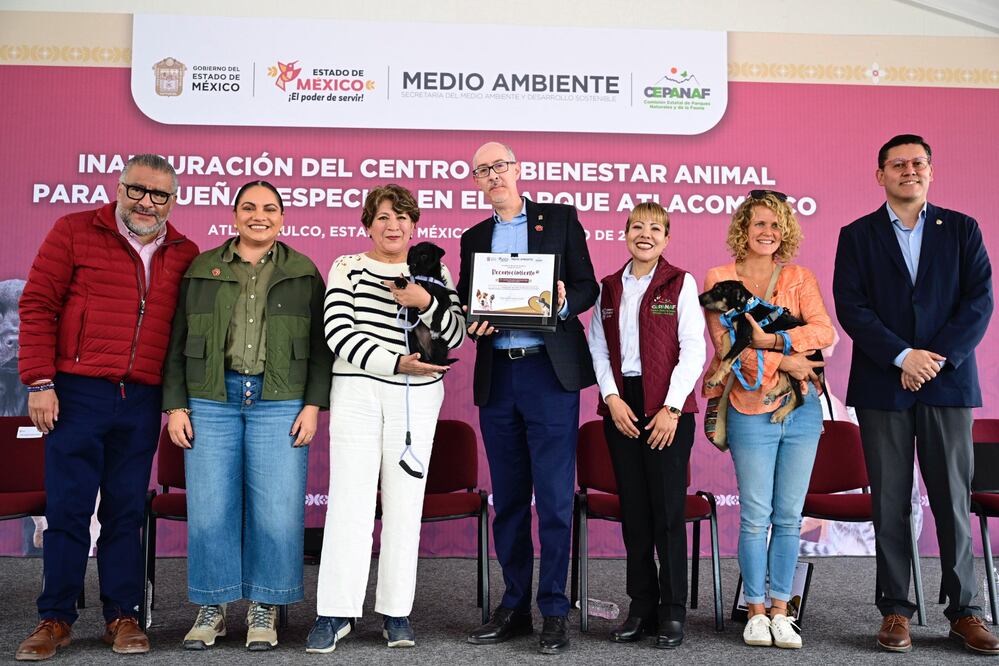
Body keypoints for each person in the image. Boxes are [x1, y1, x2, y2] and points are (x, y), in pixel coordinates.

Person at [15, 154, 198, 660]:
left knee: (124, 512)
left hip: (140, 398)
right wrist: (39, 381)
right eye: (137, 189)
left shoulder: (185, 252)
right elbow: (38, 305)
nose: (146, 202)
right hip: (76, 392)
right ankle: (54, 618)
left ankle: (123, 616)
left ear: (172, 200)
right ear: (118, 188)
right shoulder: (74, 230)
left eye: (159, 194)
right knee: (69, 509)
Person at [833, 134, 996, 655]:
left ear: (931, 171)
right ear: (879, 175)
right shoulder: (856, 235)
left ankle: (965, 613)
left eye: (918, 163)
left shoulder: (962, 229)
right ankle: (896, 611)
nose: (910, 170)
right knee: (889, 501)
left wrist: (933, 358)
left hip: (947, 383)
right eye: (898, 164)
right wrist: (904, 357)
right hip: (885, 382)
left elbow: (978, 301)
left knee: (952, 498)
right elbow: (852, 306)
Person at [160, 180, 332, 651]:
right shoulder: (202, 268)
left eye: (270, 208)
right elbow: (175, 341)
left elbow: (322, 347)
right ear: (234, 215)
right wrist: (175, 405)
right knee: (211, 508)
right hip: (211, 399)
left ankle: (267, 604)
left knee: (277, 511)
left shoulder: (302, 271)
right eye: (250, 207)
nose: (260, 215)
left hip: (281, 401)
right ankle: (212, 606)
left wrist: (313, 405)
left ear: (283, 217)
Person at [306, 184, 464, 653]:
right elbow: (338, 331)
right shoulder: (347, 266)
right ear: (368, 224)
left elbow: (453, 334)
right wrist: (396, 362)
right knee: (350, 502)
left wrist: (427, 302)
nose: (392, 226)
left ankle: (396, 612)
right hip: (357, 390)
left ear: (414, 224)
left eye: (401, 217)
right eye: (382, 217)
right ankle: (335, 611)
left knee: (405, 504)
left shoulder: (434, 269)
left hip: (417, 399)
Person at [459, 142, 598, 655]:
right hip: (500, 377)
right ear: (476, 181)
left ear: (518, 171)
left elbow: (587, 286)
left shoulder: (559, 220)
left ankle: (555, 609)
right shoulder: (473, 236)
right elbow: (466, 298)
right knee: (510, 500)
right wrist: (473, 321)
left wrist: (565, 301)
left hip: (548, 373)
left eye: (500, 166)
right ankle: (515, 604)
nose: (493, 175)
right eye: (482, 171)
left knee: (557, 500)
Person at [701, 190, 833, 649]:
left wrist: (776, 346)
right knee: (756, 517)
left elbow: (825, 331)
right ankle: (755, 610)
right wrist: (794, 362)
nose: (767, 232)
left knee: (790, 517)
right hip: (748, 409)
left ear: (785, 232)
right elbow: (726, 349)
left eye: (775, 226)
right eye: (758, 224)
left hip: (801, 412)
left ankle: (782, 609)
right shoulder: (719, 278)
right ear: (743, 228)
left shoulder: (800, 276)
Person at [587, 203, 705, 648]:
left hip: (667, 407)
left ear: (667, 238)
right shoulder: (610, 287)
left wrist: (671, 407)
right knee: (634, 514)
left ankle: (672, 613)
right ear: (625, 234)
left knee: (668, 515)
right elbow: (598, 349)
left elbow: (693, 349)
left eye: (656, 228)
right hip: (622, 406)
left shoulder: (680, 282)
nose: (646, 234)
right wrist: (611, 398)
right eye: (638, 226)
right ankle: (642, 607)